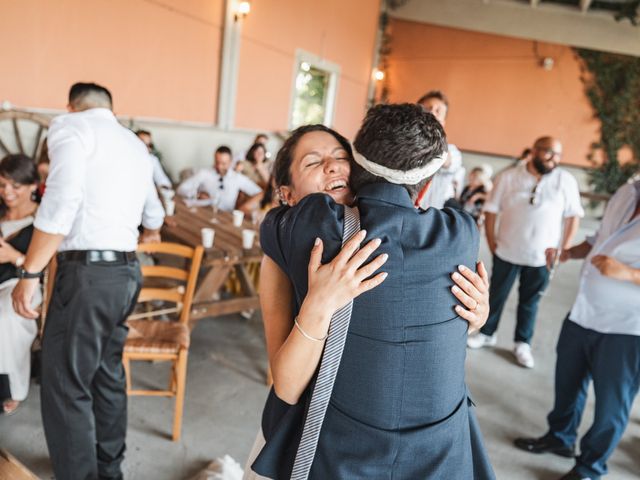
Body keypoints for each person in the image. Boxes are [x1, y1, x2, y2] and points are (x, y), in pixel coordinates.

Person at [250, 105, 495, 479]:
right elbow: (283, 384)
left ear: (360, 168)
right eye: (312, 162)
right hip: (319, 429)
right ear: (287, 193)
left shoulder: (307, 230)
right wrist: (319, 304)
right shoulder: (455, 234)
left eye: (340, 157)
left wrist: (474, 317)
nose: (332, 167)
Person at [12, 82, 165, 479]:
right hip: (127, 273)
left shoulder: (69, 127)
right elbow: (154, 215)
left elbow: (61, 203)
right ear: (110, 109)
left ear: (71, 106)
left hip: (88, 276)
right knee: (106, 373)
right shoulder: (135, 144)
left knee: (65, 384)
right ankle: (108, 469)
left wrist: (28, 273)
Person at [514, 179, 640, 480]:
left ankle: (590, 468)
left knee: (612, 405)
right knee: (567, 385)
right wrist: (569, 253)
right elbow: (599, 238)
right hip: (584, 312)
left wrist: (629, 273)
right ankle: (560, 438)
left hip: (628, 327)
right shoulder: (627, 191)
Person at [467, 136, 584, 369]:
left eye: (558, 154)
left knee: (530, 302)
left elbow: (573, 216)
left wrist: (563, 248)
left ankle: (522, 343)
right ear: (534, 151)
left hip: (542, 257)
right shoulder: (508, 177)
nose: (554, 159)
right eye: (549, 152)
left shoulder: (566, 180)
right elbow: (491, 212)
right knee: (497, 295)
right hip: (507, 251)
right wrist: (492, 243)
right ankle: (487, 333)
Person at [0, 154, 41, 415]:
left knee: (5, 314)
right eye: (2, 185)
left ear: (33, 186)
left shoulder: (43, 221)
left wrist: (14, 257)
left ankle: (10, 388)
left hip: (24, 284)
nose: (7, 192)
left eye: (16, 186)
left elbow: (49, 265)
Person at [416, 90, 466, 209]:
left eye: (438, 111)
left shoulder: (452, 152)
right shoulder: (400, 144)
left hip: (429, 216)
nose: (432, 112)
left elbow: (448, 161)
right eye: (428, 108)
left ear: (442, 123)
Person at [177, 145, 263, 213]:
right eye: (217, 162)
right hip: (202, 212)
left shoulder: (238, 178)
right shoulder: (204, 173)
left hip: (225, 217)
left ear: (230, 162)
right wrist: (197, 194)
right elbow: (181, 189)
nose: (219, 166)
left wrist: (245, 207)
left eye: (223, 163)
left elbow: (260, 193)